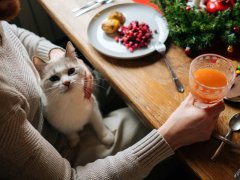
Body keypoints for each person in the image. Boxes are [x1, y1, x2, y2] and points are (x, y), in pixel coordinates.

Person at [0, 0, 225, 179]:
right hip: (58, 149)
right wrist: (170, 137)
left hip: (47, 96)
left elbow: (13, 32)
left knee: (131, 78)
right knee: (155, 119)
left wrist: (55, 54)